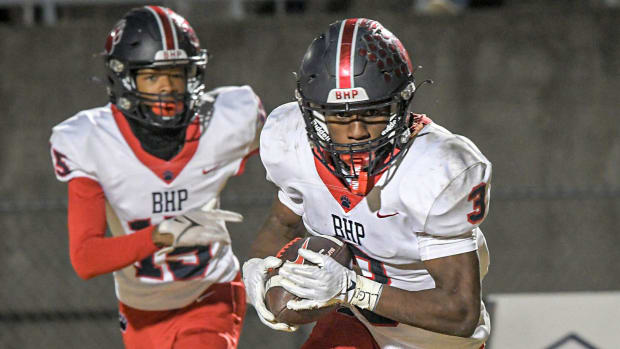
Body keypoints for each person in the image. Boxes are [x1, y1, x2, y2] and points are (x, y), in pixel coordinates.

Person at [243, 18, 491, 348]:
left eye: (372, 113)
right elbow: (281, 223)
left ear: (401, 105)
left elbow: (459, 313)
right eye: (341, 115)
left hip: (430, 337)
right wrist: (260, 266)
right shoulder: (291, 144)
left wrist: (353, 288)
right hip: (354, 319)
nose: (357, 131)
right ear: (312, 112)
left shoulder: (436, 167)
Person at [49, 6, 265, 348]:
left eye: (176, 75)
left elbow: (289, 156)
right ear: (125, 79)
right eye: (152, 77)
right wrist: (161, 235)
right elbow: (85, 258)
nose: (167, 89)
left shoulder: (227, 120)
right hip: (140, 310)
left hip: (210, 293)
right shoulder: (90, 140)